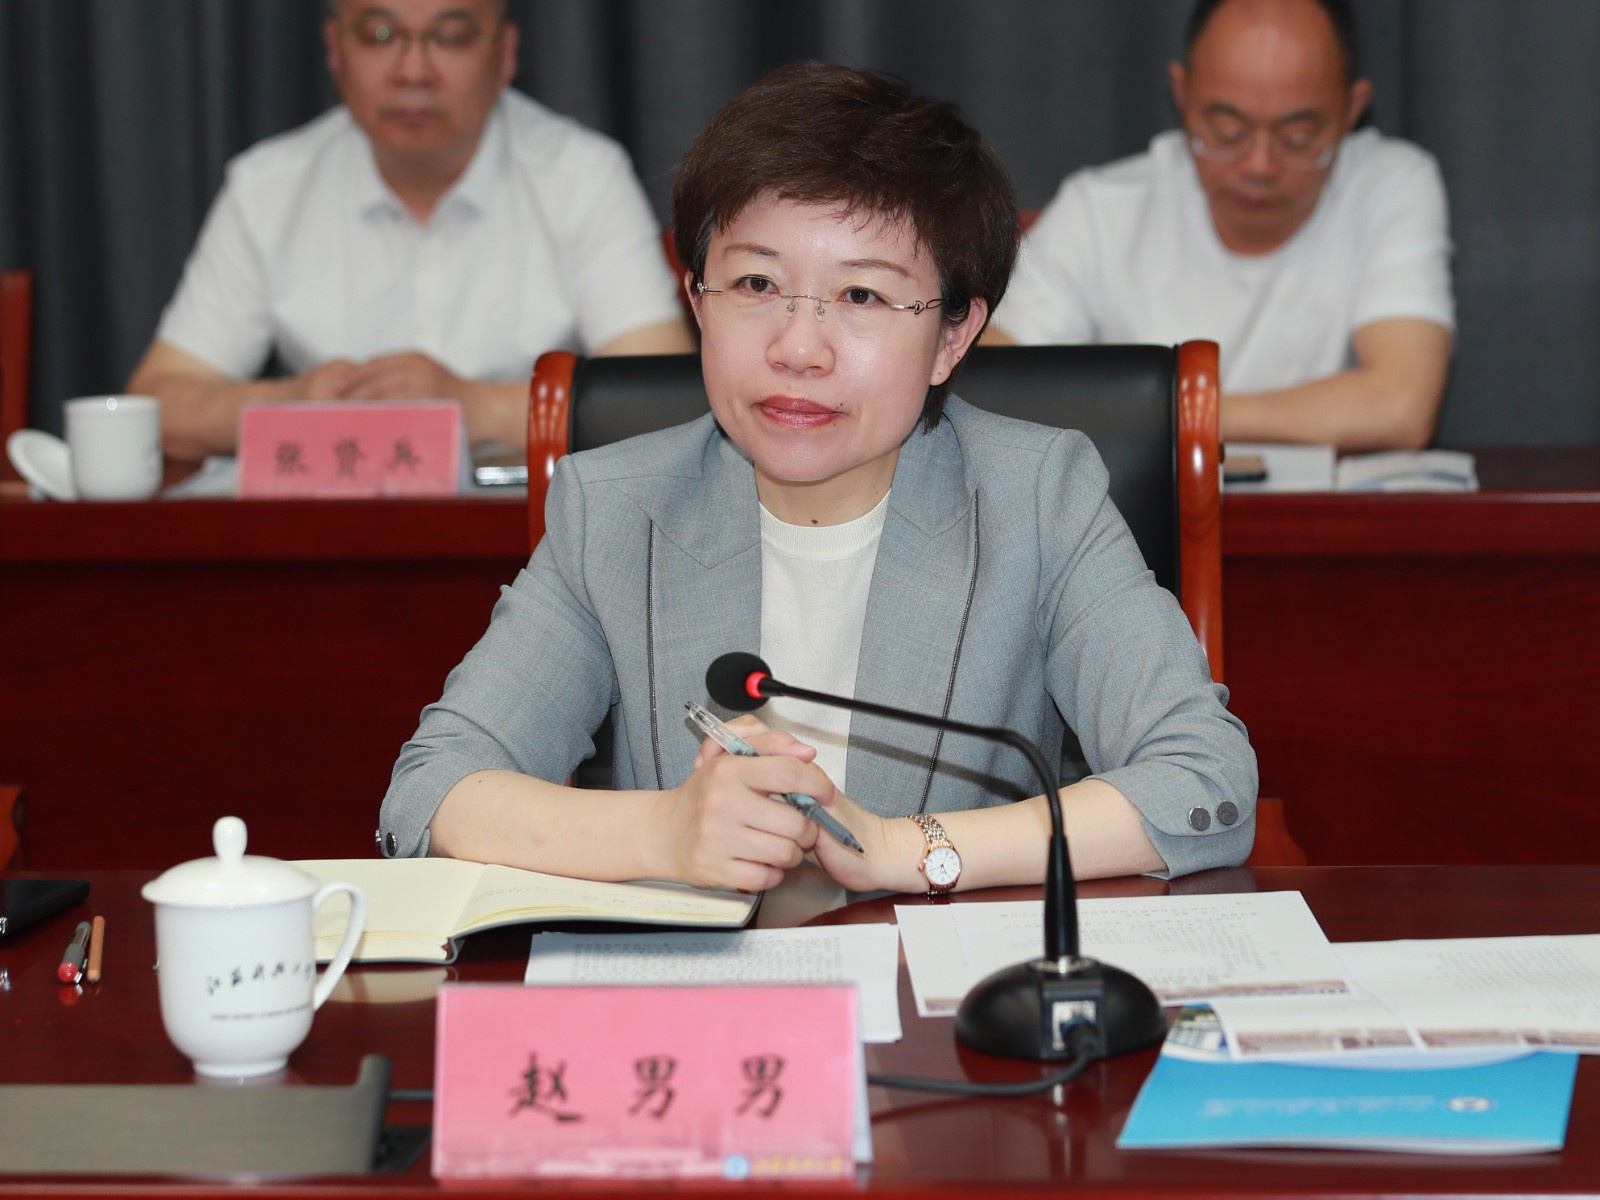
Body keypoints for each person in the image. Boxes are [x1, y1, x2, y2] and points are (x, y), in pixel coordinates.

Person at [377, 61, 1258, 894]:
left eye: (861, 296)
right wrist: (663, 832)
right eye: (757, 283)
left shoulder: (1037, 500)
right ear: (697, 301)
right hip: (695, 993)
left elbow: (1205, 783)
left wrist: (902, 848)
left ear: (952, 336)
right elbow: (429, 794)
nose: (798, 348)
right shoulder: (615, 512)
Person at [128, 0, 693, 460]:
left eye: (451, 36)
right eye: (379, 34)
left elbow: (658, 402)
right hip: (324, 534)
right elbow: (158, 404)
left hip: (531, 537)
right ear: (335, 50)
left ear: (505, 55)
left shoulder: (584, 177)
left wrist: (476, 408)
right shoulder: (267, 187)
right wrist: (292, 404)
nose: (413, 71)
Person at [987, 0, 1454, 452]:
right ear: (1182, 95)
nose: (1259, 165)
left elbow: (1401, 407)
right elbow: (991, 379)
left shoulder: (1390, 185)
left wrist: (1168, 417)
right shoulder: (1101, 210)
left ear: (1352, 109)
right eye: (1228, 131)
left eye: (1298, 137)